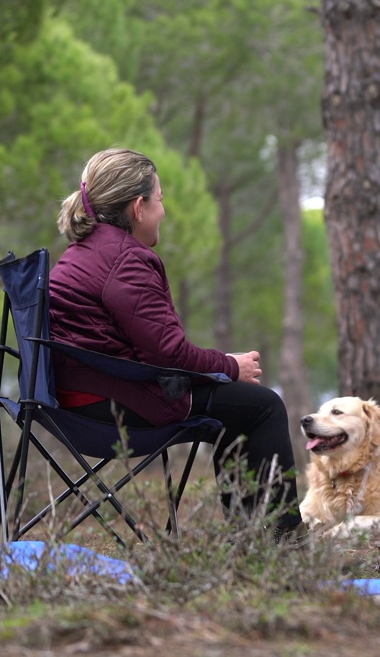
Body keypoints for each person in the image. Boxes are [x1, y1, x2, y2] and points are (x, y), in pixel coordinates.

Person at [48, 148, 301, 539]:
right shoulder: (126, 259)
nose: (163, 211)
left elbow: (154, 349)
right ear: (138, 207)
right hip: (112, 407)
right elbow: (167, 353)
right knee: (262, 406)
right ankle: (283, 543)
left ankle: (251, 539)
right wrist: (231, 366)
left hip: (75, 399)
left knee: (235, 405)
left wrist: (220, 373)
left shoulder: (80, 253)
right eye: (160, 199)